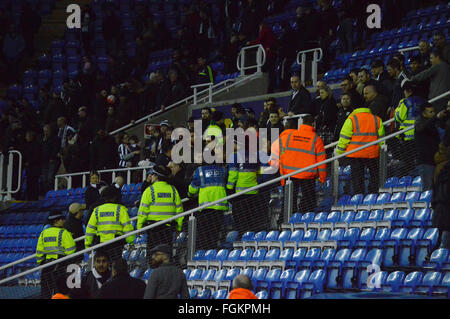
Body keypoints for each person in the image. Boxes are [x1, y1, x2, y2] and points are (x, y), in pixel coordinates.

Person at [279, 114, 327, 213]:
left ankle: (285, 222)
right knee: (309, 200)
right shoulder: (316, 139)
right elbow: (322, 161)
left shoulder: (290, 136)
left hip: (290, 174)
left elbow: (281, 158)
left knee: (289, 201)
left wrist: (283, 178)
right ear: (313, 124)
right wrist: (322, 178)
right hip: (307, 175)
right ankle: (305, 220)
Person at [137, 165, 184, 266]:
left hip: (153, 229)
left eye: (152, 175)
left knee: (153, 256)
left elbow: (142, 212)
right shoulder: (173, 190)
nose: (151, 177)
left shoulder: (149, 190)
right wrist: (179, 227)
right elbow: (179, 210)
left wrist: (139, 227)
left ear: (156, 177)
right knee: (166, 255)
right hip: (168, 229)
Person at [336, 105, 385, 195]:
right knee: (374, 175)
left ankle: (359, 197)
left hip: (355, 154)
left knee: (357, 177)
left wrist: (339, 152)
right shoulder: (377, 119)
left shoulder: (351, 119)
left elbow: (344, 138)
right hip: (372, 153)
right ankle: (374, 194)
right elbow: (381, 139)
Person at [188, 148, 228, 250]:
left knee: (204, 234)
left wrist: (189, 194)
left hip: (206, 208)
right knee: (215, 234)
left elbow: (193, 188)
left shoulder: (199, 171)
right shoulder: (223, 170)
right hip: (220, 207)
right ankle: (211, 253)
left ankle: (203, 254)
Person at [85, 186, 135, 258]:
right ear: (115, 197)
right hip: (116, 243)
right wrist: (131, 242)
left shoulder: (97, 210)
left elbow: (90, 229)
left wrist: (88, 245)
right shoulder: (120, 209)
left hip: (101, 244)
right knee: (115, 265)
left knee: (103, 266)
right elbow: (127, 228)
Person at [36, 211, 76, 299]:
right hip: (60, 265)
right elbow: (71, 249)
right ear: (56, 221)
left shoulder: (43, 233)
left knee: (46, 292)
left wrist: (41, 262)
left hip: (46, 266)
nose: (64, 221)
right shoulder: (64, 233)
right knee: (60, 290)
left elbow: (39, 251)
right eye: (61, 219)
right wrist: (67, 260)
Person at [227, 134, 262, 235]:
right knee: (251, 219)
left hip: (240, 193)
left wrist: (229, 189)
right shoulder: (255, 156)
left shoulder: (234, 156)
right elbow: (258, 172)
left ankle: (242, 240)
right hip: (253, 191)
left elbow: (233, 174)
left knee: (240, 220)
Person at [394, 81, 425, 175]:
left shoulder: (404, 102)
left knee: (408, 160)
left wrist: (397, 109)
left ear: (409, 91)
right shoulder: (423, 101)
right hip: (420, 134)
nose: (404, 93)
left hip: (407, 136)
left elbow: (399, 117)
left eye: (405, 91)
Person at [414, 102, 441, 191]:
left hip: (435, 160)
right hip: (425, 161)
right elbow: (422, 128)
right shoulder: (419, 121)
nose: (433, 114)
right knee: (428, 189)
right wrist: (436, 118)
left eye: (434, 112)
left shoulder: (433, 124)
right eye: (430, 112)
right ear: (423, 113)